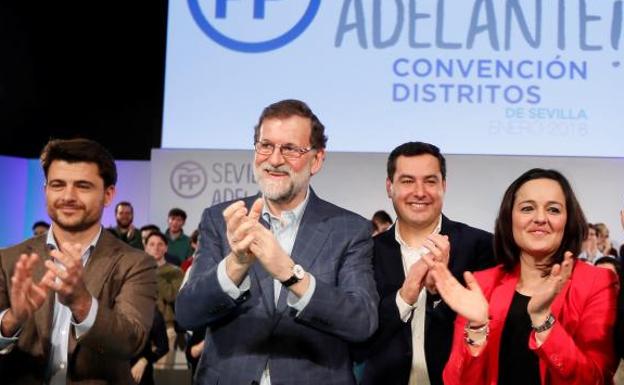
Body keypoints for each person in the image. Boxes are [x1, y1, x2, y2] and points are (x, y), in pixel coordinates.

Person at [175, 99, 378, 384]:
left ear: (316, 159)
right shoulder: (221, 220)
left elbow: (362, 322)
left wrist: (290, 274)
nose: (274, 159)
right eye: (265, 145)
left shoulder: (349, 229)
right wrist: (236, 264)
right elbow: (187, 314)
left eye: (290, 149)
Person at [424, 168, 618, 385]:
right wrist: (477, 328)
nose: (540, 218)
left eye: (553, 210)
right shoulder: (483, 284)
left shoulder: (597, 282)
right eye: (527, 208)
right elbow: (455, 382)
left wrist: (543, 320)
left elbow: (595, 379)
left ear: (568, 220)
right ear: (509, 219)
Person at [0, 138, 157, 384]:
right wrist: (12, 319)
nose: (68, 196)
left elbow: (131, 341)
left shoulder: (136, 263)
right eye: (58, 185)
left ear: (108, 194)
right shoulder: (7, 258)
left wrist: (82, 302)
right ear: (45, 190)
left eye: (83, 186)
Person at [358, 142, 496, 385]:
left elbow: (493, 337)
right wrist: (405, 296)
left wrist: (439, 294)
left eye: (430, 181)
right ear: (390, 187)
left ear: (444, 186)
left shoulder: (483, 247)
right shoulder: (366, 253)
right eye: (408, 181)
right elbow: (360, 343)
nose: (420, 192)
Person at [144, 231, 184, 370]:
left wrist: (155, 272)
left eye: (160, 244)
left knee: (163, 373)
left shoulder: (175, 271)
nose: (156, 247)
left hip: (166, 327)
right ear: (146, 247)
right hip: (142, 327)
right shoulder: (139, 271)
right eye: (152, 244)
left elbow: (172, 296)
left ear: (166, 248)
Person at [130, 307, 169, 385]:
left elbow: (163, 347)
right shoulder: (114, 307)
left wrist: (144, 360)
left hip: (141, 376)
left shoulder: (153, 315)